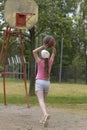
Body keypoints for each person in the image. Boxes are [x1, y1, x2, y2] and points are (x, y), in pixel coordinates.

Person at [33, 40, 56, 126]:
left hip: (39, 82)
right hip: (47, 83)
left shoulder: (39, 62)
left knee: (41, 100)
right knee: (44, 101)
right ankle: (43, 119)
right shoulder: (50, 62)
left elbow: (34, 51)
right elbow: (54, 53)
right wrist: (52, 45)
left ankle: (46, 114)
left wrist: (43, 46)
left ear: (42, 56)